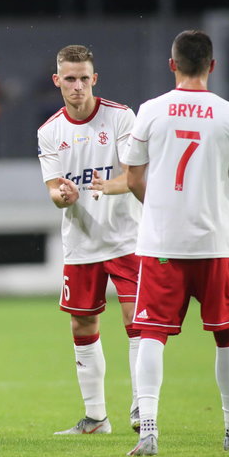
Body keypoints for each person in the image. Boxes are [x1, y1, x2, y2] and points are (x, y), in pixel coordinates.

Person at [123, 30, 229, 456]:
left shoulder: (150, 111)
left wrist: (166, 207)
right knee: (228, 335)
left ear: (172, 65)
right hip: (213, 243)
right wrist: (208, 203)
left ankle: (148, 429)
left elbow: (133, 178)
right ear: (212, 65)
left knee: (150, 333)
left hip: (161, 243)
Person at [36, 45, 142, 436]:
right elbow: (52, 189)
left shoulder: (120, 117)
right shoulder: (50, 131)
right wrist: (62, 196)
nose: (77, 85)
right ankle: (96, 418)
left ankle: (140, 408)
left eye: (84, 78)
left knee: (136, 322)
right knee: (82, 324)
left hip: (126, 239)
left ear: (94, 79)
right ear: (57, 81)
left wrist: (106, 187)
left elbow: (133, 176)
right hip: (80, 242)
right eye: (70, 79)